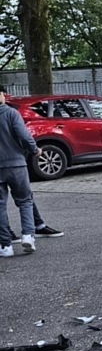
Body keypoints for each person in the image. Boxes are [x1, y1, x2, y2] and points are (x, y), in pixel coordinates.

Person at [0, 87, 42, 256]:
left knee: (0, 206)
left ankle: (5, 246)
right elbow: (24, 136)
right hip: (16, 164)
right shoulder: (11, 113)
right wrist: (34, 150)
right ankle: (27, 235)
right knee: (25, 201)